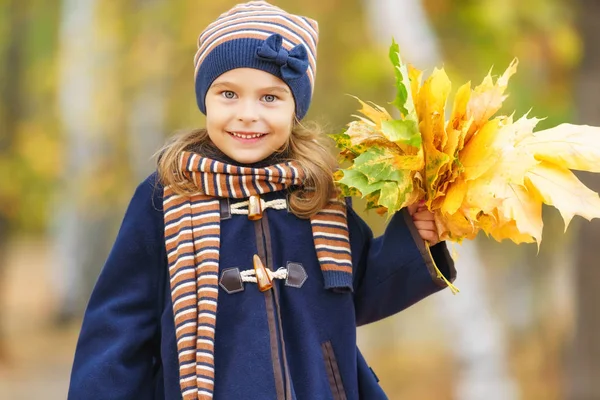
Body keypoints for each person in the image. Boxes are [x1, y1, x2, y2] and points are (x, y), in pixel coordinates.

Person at [67, 1, 456, 399]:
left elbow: (355, 291)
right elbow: (119, 326)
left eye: (270, 98)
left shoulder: (320, 193)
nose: (247, 114)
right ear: (206, 99)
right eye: (229, 94)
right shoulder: (168, 195)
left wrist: (414, 240)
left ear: (295, 109)